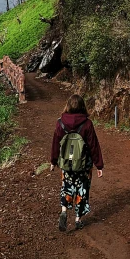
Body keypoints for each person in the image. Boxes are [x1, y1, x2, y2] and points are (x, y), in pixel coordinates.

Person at [50, 94, 104, 231]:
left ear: (67, 105)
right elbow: (93, 145)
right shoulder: (87, 124)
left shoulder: (60, 123)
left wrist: (53, 161)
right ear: (82, 106)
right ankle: (78, 220)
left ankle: (63, 211)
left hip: (67, 164)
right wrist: (99, 165)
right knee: (82, 190)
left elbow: (56, 143)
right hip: (84, 165)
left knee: (67, 186)